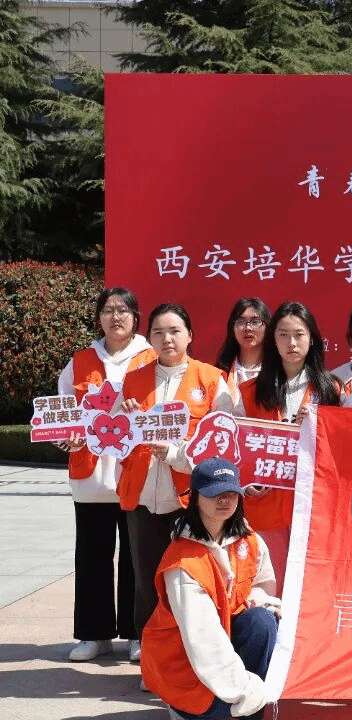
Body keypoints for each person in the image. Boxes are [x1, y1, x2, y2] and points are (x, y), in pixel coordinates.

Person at [116, 304, 232, 654]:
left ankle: (190, 651)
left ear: (190, 335)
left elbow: (222, 442)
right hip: (142, 494)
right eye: (158, 332)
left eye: (175, 331)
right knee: (145, 576)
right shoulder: (133, 379)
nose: (167, 339)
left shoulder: (211, 380)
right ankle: (148, 647)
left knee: (189, 578)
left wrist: (175, 453)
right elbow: (113, 436)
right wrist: (125, 421)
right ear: (149, 338)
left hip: (190, 498)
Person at [56, 288, 157, 662]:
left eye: (123, 310)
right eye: (108, 310)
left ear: (136, 317)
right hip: (91, 476)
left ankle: (136, 634)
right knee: (92, 556)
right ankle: (93, 634)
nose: (116, 317)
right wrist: (65, 436)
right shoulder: (81, 361)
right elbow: (62, 411)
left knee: (136, 559)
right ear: (98, 317)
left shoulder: (151, 357)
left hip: (136, 473)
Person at [142, 457, 279, 720]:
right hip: (184, 662)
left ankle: (243, 703)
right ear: (194, 498)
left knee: (262, 620)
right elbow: (203, 641)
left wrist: (258, 598)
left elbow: (263, 585)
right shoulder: (183, 562)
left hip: (223, 648)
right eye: (214, 493)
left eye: (231, 493)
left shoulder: (250, 541)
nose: (224, 500)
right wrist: (249, 693)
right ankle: (193, 706)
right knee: (227, 706)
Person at [235, 301, 340, 593]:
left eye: (299, 334)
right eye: (283, 335)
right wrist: (246, 484)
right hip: (265, 505)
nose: (291, 343)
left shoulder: (332, 390)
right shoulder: (250, 392)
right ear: (272, 340)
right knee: (268, 585)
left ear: (312, 339)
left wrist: (320, 424)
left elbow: (345, 448)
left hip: (312, 504)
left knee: (310, 588)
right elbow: (235, 447)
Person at [215, 298, 270, 400]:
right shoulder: (220, 373)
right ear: (232, 328)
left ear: (267, 327)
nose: (248, 328)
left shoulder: (278, 370)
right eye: (241, 322)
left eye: (255, 322)